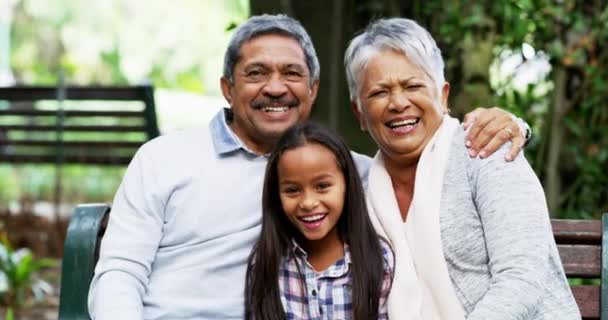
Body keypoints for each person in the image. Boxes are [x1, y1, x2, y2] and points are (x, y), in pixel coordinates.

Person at [88, 14, 529, 319]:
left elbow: (425, 151)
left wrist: (516, 125)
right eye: (257, 73)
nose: (276, 88)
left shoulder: (350, 173)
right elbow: (120, 271)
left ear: (313, 90)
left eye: (292, 74)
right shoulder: (163, 160)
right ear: (227, 87)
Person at [345, 17, 580, 319]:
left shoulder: (486, 151)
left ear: (442, 96)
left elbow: (522, 278)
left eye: (413, 85)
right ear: (359, 113)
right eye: (379, 92)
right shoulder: (361, 189)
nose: (398, 102)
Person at [245, 121, 393, 320]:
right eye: (292, 190)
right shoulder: (266, 262)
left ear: (347, 185)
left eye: (322, 186)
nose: (308, 202)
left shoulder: (378, 259)